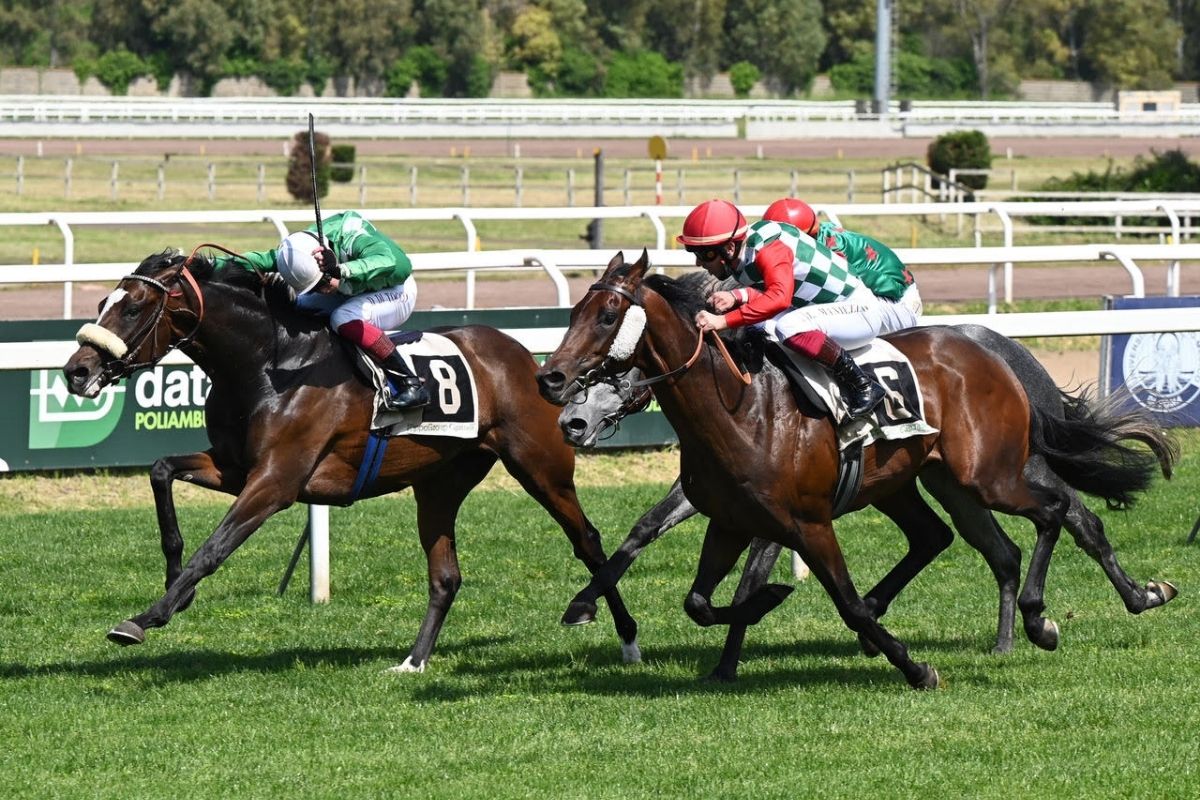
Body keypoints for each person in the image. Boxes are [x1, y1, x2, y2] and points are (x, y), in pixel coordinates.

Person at [680, 198, 886, 419]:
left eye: (705, 254)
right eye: (693, 252)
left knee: (789, 327)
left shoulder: (768, 249)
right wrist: (737, 296)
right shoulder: (744, 250)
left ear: (729, 248)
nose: (698, 263)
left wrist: (723, 321)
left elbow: (779, 298)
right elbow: (782, 290)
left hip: (858, 311)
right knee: (757, 325)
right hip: (824, 308)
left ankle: (862, 384)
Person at [220, 210, 429, 410]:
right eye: (316, 287)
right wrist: (204, 265)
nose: (322, 290)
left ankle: (409, 382)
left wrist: (342, 270)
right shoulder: (297, 252)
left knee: (342, 318)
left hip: (396, 290)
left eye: (321, 282)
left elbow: (401, 265)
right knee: (300, 304)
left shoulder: (354, 239)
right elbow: (252, 261)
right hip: (352, 290)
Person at [762, 197, 922, 333]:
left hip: (897, 305)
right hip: (886, 297)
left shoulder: (830, 251)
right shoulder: (818, 236)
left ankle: (845, 369)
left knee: (793, 324)